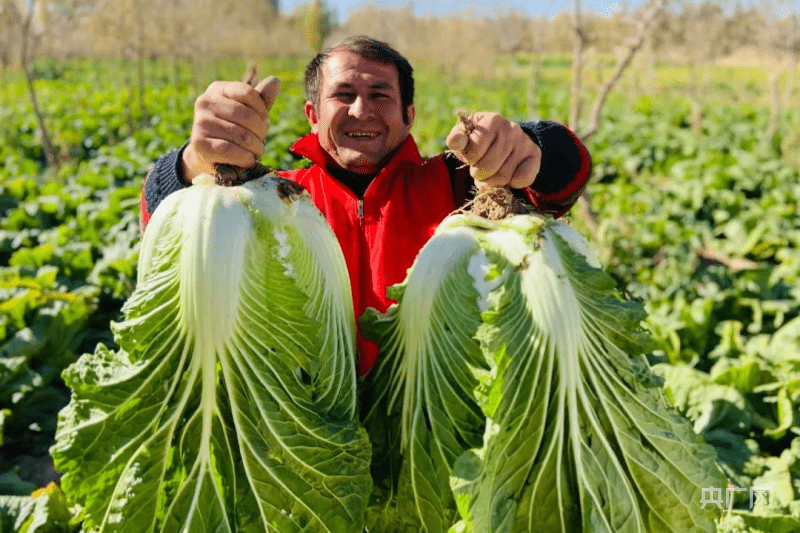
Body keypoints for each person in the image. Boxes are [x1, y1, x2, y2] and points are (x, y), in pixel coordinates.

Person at [140, 35, 592, 378]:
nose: (361, 110)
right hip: (302, 439)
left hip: (434, 435)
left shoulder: (460, 187)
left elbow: (559, 186)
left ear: (408, 115)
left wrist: (530, 147)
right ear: (312, 115)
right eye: (342, 95)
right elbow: (162, 223)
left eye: (381, 95)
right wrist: (195, 160)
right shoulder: (271, 199)